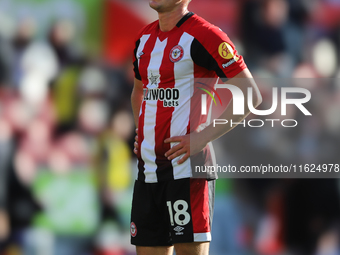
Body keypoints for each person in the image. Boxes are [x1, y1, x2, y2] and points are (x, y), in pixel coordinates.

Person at [130, 0, 262, 255]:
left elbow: (250, 94)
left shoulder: (206, 35)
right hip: (148, 171)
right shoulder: (144, 37)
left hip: (188, 170)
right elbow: (138, 91)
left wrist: (203, 137)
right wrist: (142, 131)